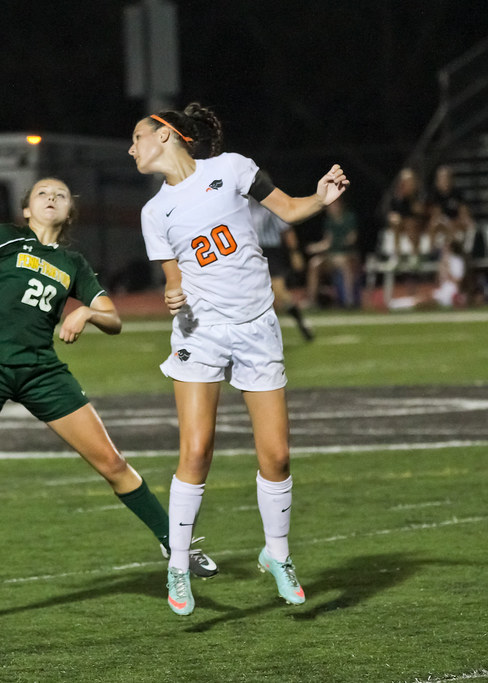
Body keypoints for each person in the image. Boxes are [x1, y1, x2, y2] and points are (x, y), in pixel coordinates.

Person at [0, 177, 216, 620]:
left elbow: (114, 319)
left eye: (61, 195)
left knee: (113, 463)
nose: (51, 198)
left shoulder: (73, 263)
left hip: (41, 372)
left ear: (70, 211)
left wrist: (87, 311)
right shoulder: (4, 238)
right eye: (42, 194)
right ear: (27, 209)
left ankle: (177, 549)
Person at [128, 103, 348, 616]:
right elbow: (174, 280)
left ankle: (277, 555)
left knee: (277, 456)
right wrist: (173, 296)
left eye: (138, 137)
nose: (132, 148)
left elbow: (291, 210)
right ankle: (178, 566)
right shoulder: (153, 211)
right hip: (200, 334)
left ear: (166, 136)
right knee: (197, 451)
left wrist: (320, 196)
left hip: (258, 328)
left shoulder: (230, 168)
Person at [250, 199, 315, 340]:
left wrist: (294, 252)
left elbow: (286, 230)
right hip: (252, 252)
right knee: (258, 295)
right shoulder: (243, 205)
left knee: (279, 293)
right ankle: (265, 333)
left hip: (272, 252)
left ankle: (301, 322)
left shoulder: (269, 204)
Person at [305, 197, 360, 309]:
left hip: (346, 255)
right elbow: (327, 242)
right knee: (314, 263)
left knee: (344, 263)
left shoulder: (349, 218)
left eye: (333, 205)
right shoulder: (329, 221)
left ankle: (348, 301)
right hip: (331, 256)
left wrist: (338, 243)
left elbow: (352, 238)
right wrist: (315, 247)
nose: (331, 208)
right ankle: (312, 301)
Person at [387, 236, 467, 310]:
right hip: (443, 291)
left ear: (451, 248)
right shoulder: (444, 261)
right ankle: (395, 303)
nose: (443, 249)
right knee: (422, 298)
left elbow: (458, 281)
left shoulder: (457, 261)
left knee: (423, 301)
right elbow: (440, 280)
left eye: (446, 247)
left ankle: (396, 304)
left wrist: (447, 268)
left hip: (450, 293)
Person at [425, 165, 473, 254]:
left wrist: (463, 221)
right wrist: (445, 221)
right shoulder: (435, 194)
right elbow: (436, 214)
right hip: (442, 222)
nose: (444, 180)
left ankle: (461, 250)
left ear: (451, 179)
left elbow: (463, 212)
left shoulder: (458, 193)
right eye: (441, 178)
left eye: (446, 178)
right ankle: (432, 251)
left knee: (467, 224)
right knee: (434, 224)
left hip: (456, 221)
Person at [386, 167, 426, 266]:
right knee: (395, 221)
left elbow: (420, 211)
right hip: (402, 225)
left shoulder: (420, 194)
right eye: (404, 181)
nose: (406, 183)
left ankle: (415, 254)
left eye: (409, 181)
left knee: (410, 223)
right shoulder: (397, 196)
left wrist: (411, 198)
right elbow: (392, 212)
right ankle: (396, 254)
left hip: (419, 224)